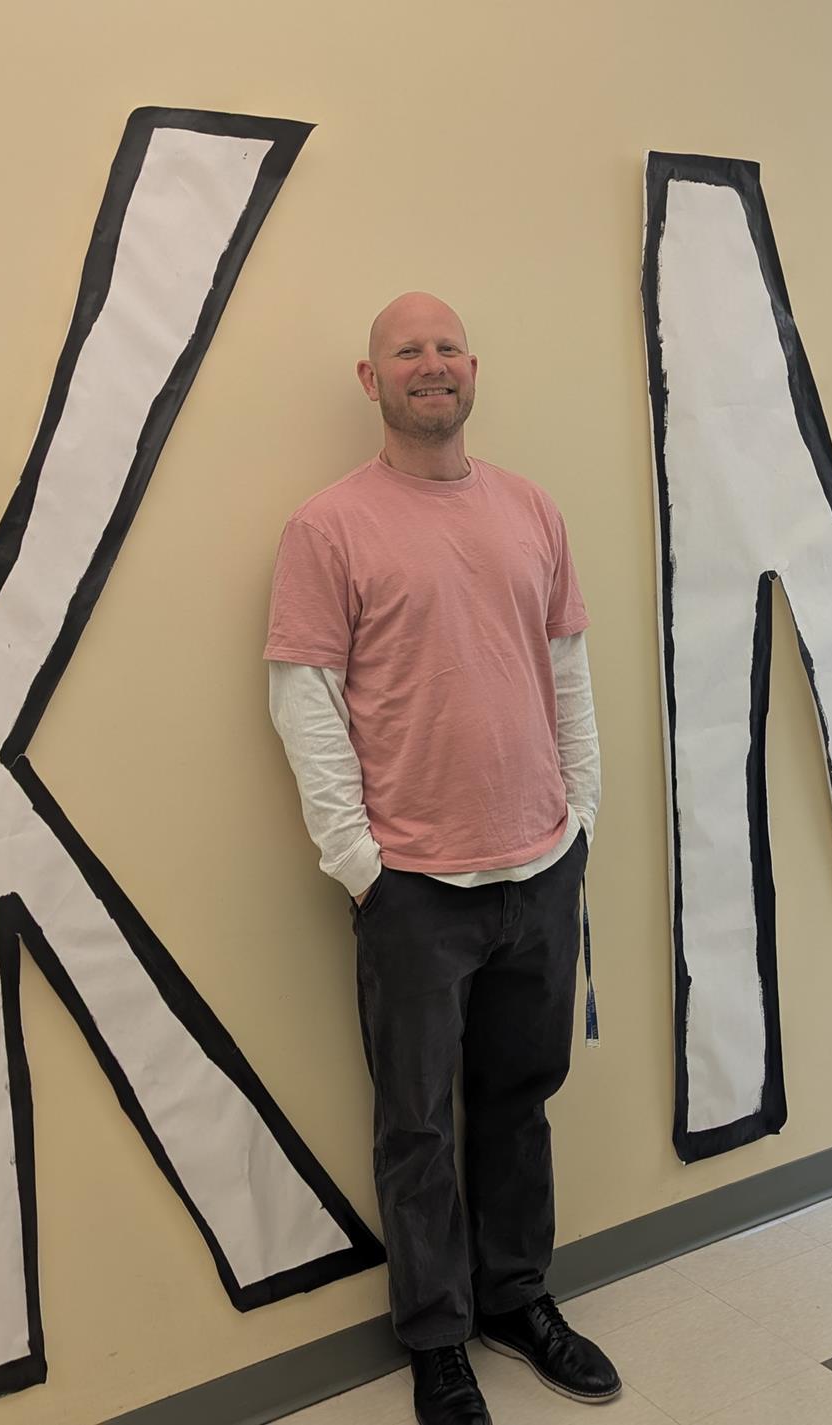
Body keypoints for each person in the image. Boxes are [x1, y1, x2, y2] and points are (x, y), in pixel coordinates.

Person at [264, 293, 616, 1425]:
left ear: (474, 369)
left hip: (540, 864)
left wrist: (582, 819)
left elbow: (566, 670)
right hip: (413, 887)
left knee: (520, 1101)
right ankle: (437, 1338)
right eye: (405, 350)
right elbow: (304, 702)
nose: (431, 364)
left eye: (448, 346)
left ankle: (517, 1299)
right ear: (370, 381)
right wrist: (360, 863)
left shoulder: (531, 510)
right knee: (415, 1125)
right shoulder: (329, 528)